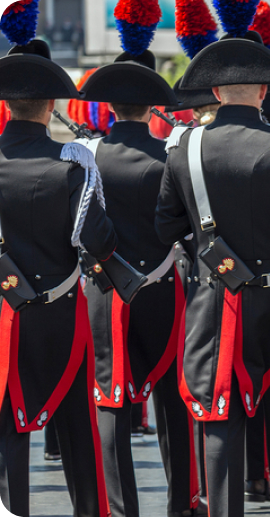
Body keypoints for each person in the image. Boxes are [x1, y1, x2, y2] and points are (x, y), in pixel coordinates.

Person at [154, 30, 270, 517]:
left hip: (212, 302)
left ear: (214, 94)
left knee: (220, 419)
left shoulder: (184, 148)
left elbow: (164, 226)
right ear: (262, 93)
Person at [77, 27, 202, 517]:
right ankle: (182, 502)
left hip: (107, 291)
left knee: (110, 402)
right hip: (166, 287)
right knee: (175, 397)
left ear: (109, 108)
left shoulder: (87, 157)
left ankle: (119, 507)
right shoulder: (170, 155)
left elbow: (83, 231)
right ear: (153, 106)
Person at [0, 37, 116, 516]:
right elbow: (99, 241)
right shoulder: (72, 162)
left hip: (4, 318)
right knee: (77, 430)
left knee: (7, 435)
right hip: (63, 315)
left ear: (6, 106)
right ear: (51, 105)